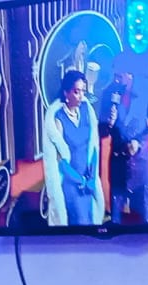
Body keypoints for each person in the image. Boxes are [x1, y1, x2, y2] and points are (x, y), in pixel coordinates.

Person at [98, 53, 148, 224]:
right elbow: (102, 132)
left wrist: (139, 142)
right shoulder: (108, 92)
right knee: (116, 218)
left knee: (145, 215)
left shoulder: (146, 88)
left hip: (140, 161)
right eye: (115, 75)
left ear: (130, 74)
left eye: (119, 76)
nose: (116, 80)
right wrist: (108, 124)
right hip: (117, 162)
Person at [42, 71, 104, 227]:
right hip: (72, 184)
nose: (81, 96)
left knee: (92, 223)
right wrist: (81, 181)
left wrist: (92, 178)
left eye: (83, 91)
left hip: (88, 180)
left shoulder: (86, 110)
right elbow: (61, 163)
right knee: (80, 226)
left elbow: (93, 147)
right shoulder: (58, 120)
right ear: (66, 93)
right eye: (77, 91)